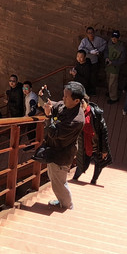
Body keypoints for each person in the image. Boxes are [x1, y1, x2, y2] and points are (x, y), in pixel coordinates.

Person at [38, 81, 88, 211]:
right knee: (55, 179)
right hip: (55, 150)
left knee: (59, 183)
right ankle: (62, 201)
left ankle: (66, 205)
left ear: (77, 101)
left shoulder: (76, 120)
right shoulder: (67, 106)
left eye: (66, 97)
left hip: (61, 155)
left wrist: (48, 115)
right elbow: (56, 105)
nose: (63, 99)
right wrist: (46, 100)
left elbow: (54, 133)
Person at [72, 100, 112, 185]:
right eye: (79, 104)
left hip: (97, 145)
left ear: (87, 102)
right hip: (85, 145)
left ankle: (94, 180)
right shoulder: (77, 114)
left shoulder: (96, 114)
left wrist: (104, 150)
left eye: (82, 103)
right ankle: (74, 178)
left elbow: (104, 132)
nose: (81, 105)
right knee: (81, 163)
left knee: (99, 164)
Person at [105, 30, 127, 103]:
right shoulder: (109, 43)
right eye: (112, 38)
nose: (114, 39)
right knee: (108, 81)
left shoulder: (122, 47)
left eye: (115, 38)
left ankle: (114, 98)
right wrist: (106, 58)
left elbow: (122, 60)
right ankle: (110, 93)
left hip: (115, 67)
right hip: (108, 66)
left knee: (113, 83)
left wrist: (113, 62)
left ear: (119, 38)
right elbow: (106, 51)